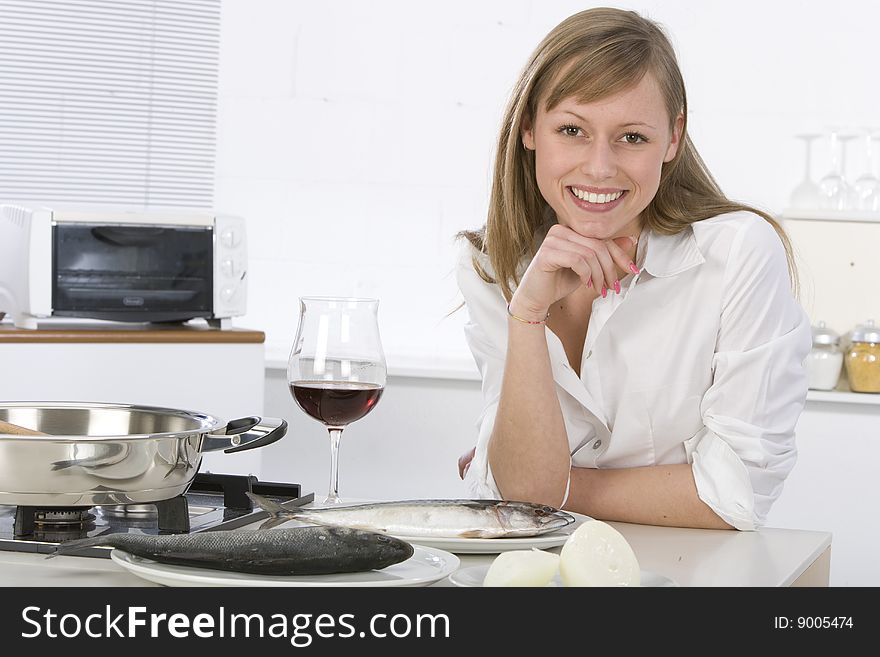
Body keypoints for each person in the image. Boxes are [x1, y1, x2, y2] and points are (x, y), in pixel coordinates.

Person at [455, 7, 811, 531]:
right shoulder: (491, 265)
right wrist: (527, 314)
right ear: (529, 127)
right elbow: (516, 488)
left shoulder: (737, 253)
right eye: (572, 129)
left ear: (672, 138)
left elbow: (734, 493)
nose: (599, 167)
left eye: (633, 137)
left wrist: (557, 485)